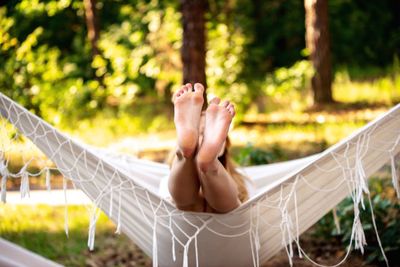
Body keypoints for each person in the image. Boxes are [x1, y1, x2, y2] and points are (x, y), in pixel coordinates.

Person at [167, 82, 249, 213]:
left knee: (230, 206)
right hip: (222, 226)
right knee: (187, 202)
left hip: (230, 222)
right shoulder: (239, 181)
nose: (203, 142)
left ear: (224, 145)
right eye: (201, 134)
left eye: (207, 136)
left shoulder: (239, 179)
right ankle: (205, 162)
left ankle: (189, 156)